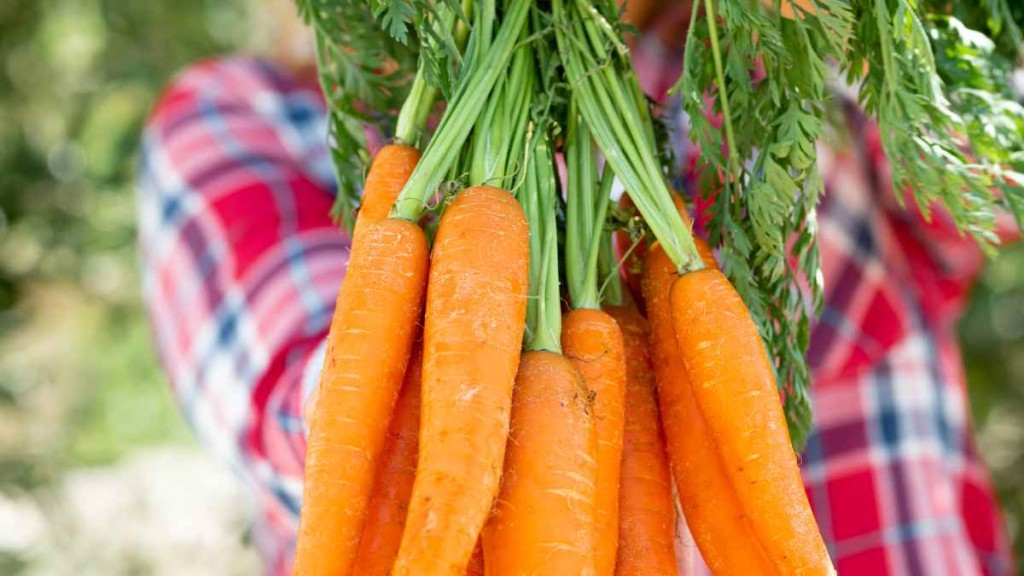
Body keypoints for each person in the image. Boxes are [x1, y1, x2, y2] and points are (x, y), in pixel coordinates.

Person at [136, 0, 1017, 574]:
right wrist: (454, 345)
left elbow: (991, 170)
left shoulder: (787, 50)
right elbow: (305, 405)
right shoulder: (240, 120)